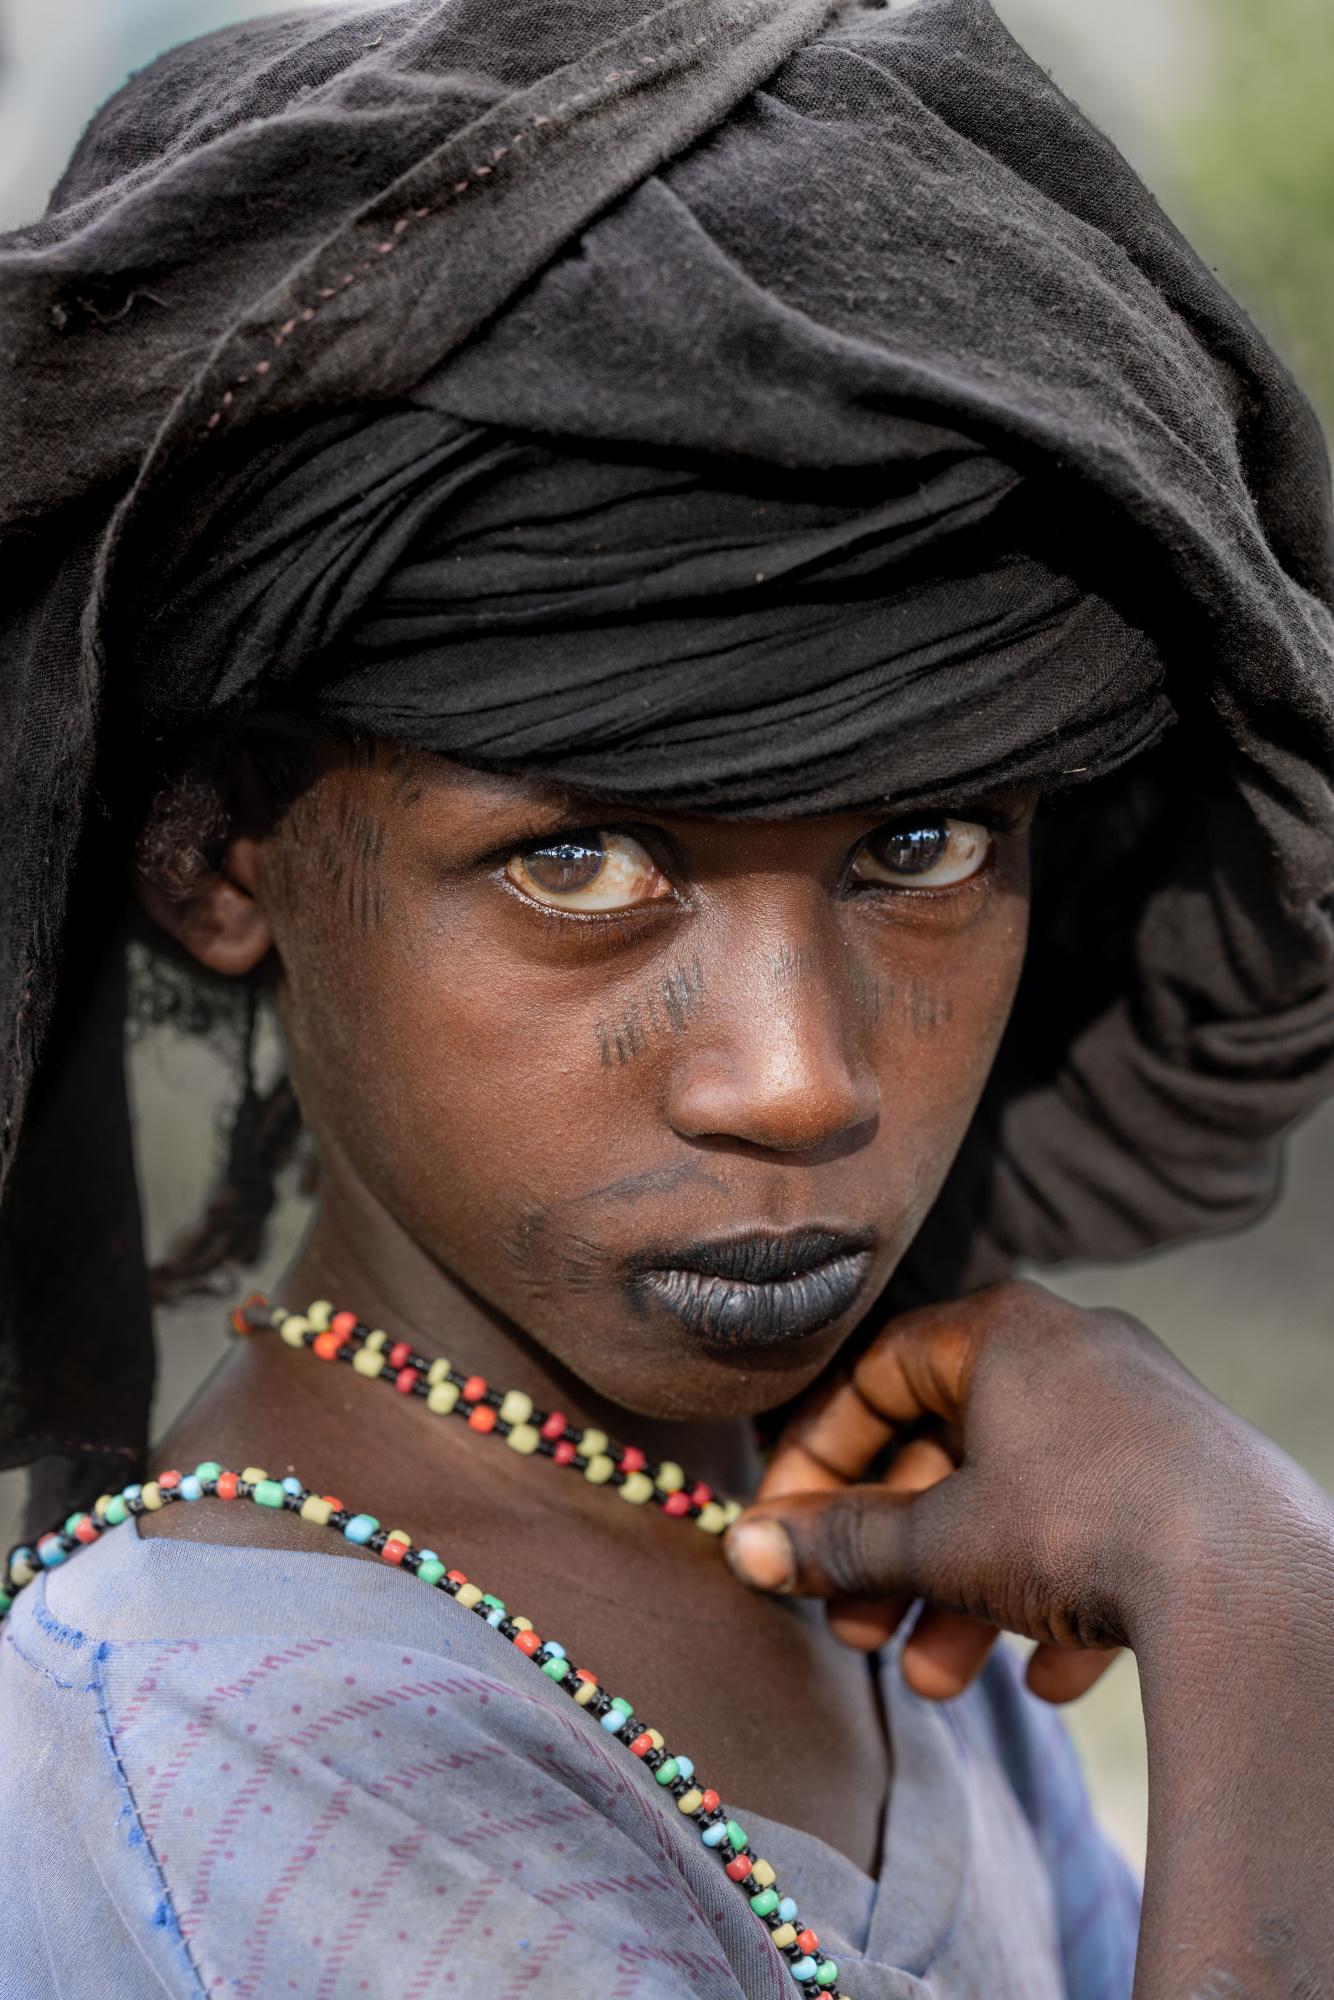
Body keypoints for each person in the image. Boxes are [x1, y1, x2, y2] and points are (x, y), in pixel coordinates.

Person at [0, 0, 1332, 1994]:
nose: (797, 1083)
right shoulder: (241, 1766)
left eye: (919, 848)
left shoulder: (900, 1587)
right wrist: (1260, 1623)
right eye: (579, 865)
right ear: (217, 857)